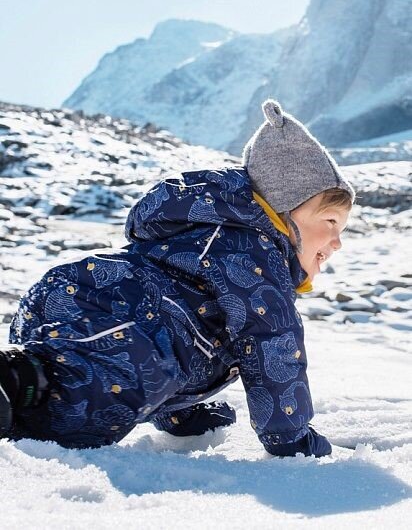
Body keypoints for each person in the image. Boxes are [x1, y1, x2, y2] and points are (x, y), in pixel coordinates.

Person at [0, 100, 354, 456]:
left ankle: (25, 379)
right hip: (108, 309)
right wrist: (290, 438)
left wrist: (180, 415)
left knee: (121, 374)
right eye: (330, 222)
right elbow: (272, 345)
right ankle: (15, 381)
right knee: (98, 396)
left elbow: (181, 333)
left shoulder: (223, 241)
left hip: (86, 298)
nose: (337, 242)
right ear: (284, 212)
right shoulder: (253, 253)